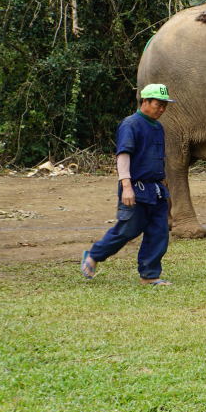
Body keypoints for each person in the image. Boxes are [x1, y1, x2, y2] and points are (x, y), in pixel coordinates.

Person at [81, 84, 175, 285]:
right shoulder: (130, 124)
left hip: (156, 189)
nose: (162, 109)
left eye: (164, 106)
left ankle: (149, 276)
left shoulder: (158, 128)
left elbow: (159, 159)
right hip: (136, 188)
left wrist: (166, 189)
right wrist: (126, 186)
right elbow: (123, 155)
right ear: (145, 102)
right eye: (158, 104)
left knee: (159, 232)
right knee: (127, 230)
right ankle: (94, 255)